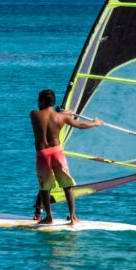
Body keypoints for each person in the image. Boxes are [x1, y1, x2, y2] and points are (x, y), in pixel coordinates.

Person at [30, 89, 102, 225]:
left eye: (38, 101)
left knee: (45, 187)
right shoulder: (61, 117)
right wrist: (95, 123)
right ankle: (73, 217)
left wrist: (63, 113)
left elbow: (47, 115)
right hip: (57, 152)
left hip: (43, 154)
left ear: (42, 101)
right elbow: (80, 124)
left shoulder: (34, 114)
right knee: (67, 185)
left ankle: (49, 217)